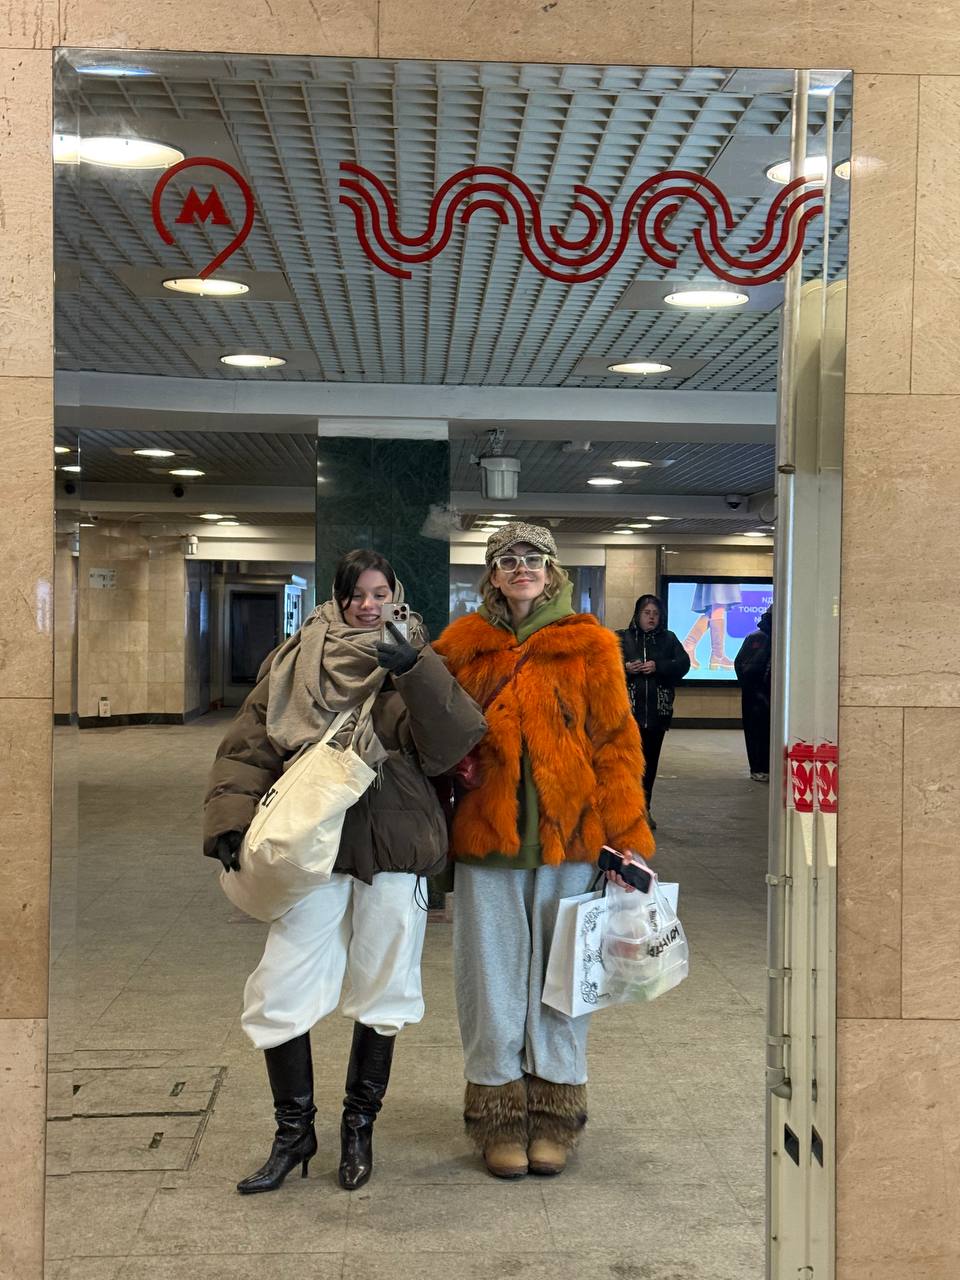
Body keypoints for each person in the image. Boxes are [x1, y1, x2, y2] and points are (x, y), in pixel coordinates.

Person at [202, 549, 485, 1195]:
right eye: (356, 593)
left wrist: (412, 669)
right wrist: (229, 819)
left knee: (384, 988)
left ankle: (359, 1129)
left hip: (394, 850)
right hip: (311, 849)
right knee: (281, 985)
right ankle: (293, 1133)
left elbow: (452, 743)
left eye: (379, 592)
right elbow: (249, 747)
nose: (367, 604)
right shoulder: (293, 659)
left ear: (395, 595)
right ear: (337, 597)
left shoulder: (418, 659)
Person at [433, 522, 654, 1181]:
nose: (521, 568)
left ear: (554, 571)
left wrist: (629, 841)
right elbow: (430, 737)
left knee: (562, 984)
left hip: (573, 844)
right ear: (492, 575)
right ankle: (498, 1119)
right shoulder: (461, 647)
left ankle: (555, 1116)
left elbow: (616, 745)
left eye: (533, 558)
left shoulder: (590, 645)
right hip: (487, 841)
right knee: (491, 984)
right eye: (507, 560)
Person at [618, 593, 690, 829]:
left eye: (655, 614)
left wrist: (659, 667)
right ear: (637, 615)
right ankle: (624, 811)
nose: (651, 618)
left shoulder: (669, 639)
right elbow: (602, 667)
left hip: (657, 715)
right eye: (647, 613)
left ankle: (643, 810)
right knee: (625, 766)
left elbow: (683, 665)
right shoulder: (622, 638)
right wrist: (626, 668)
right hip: (625, 717)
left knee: (649, 765)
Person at [734, 605, 773, 781]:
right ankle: (759, 768)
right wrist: (753, 689)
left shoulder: (782, 638)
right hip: (756, 697)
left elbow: (739, 664)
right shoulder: (758, 638)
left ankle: (762, 768)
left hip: (758, 695)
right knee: (757, 732)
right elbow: (741, 665)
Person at [682, 581, 743, 670]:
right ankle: (717, 656)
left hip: (715, 576)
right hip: (721, 575)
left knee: (716, 607)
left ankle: (688, 647)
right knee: (719, 601)